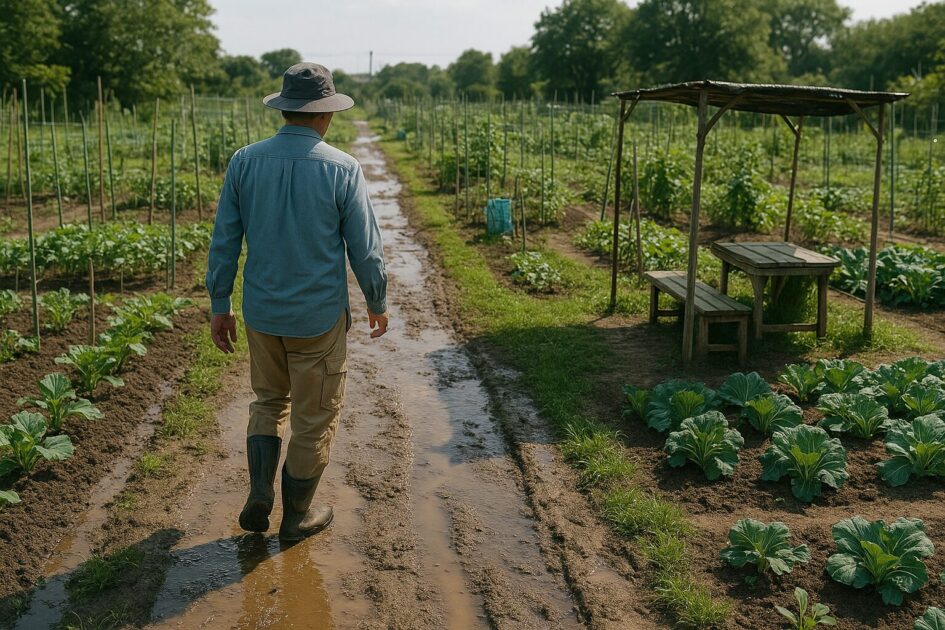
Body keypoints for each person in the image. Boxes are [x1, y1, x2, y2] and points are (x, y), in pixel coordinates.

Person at [205, 62, 388, 543]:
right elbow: (365, 248)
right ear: (325, 115)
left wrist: (219, 303)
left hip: (262, 314)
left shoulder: (245, 161)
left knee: (268, 400)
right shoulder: (342, 168)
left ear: (284, 110)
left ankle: (260, 490)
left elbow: (224, 239)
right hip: (318, 319)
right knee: (314, 417)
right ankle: (297, 516)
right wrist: (376, 299)